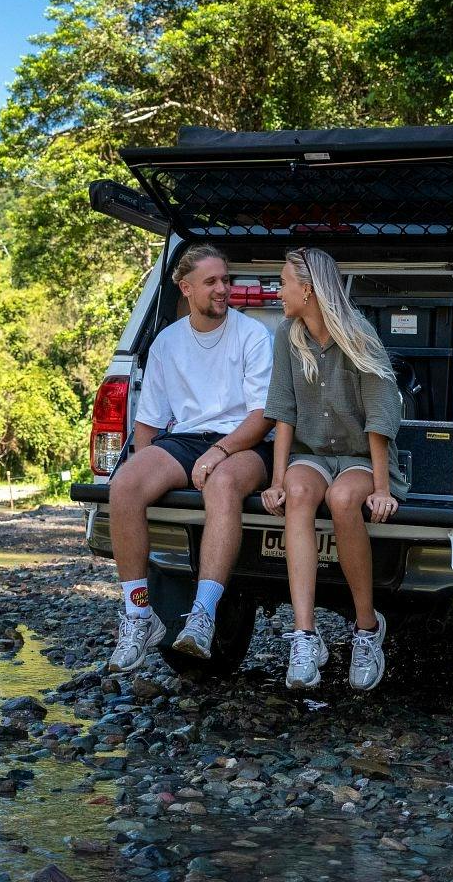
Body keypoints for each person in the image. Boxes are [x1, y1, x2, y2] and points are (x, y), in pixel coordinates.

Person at [105, 243, 273, 672]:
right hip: (185, 442)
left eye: (227, 280)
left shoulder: (252, 334)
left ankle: (201, 616)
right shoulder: (167, 341)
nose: (223, 289)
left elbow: (262, 417)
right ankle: (139, 615)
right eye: (212, 282)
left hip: (245, 443)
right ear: (186, 288)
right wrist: (148, 479)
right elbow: (149, 424)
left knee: (222, 483)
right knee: (124, 484)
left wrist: (219, 452)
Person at [261, 245, 409, 692]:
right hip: (312, 453)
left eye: (284, 282)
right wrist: (275, 482)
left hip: (362, 457)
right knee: (300, 493)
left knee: (344, 500)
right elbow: (283, 411)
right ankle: (305, 636)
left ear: (307, 289)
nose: (278, 290)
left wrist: (381, 489)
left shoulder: (358, 332)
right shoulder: (288, 333)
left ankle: (367, 629)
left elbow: (381, 416)